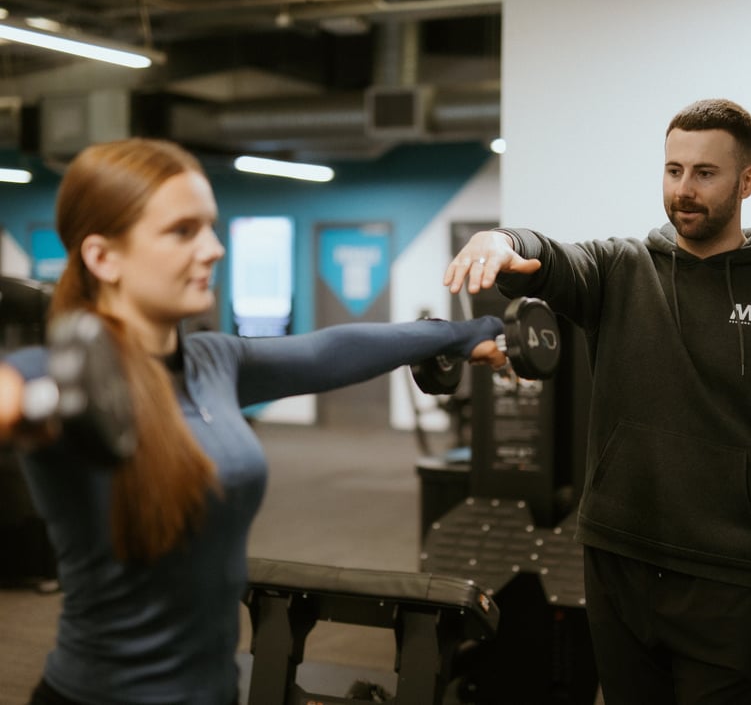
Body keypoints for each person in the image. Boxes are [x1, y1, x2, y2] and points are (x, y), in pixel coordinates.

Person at [0, 137, 508, 705]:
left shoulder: (214, 362)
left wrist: (461, 335)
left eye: (210, 228)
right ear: (102, 257)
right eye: (183, 231)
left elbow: (330, 351)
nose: (214, 249)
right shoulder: (53, 373)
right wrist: (32, 398)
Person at [443, 98, 751, 705]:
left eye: (705, 173)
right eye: (674, 170)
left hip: (730, 577)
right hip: (619, 558)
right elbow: (550, 259)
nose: (684, 189)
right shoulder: (621, 267)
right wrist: (503, 238)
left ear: (746, 181)